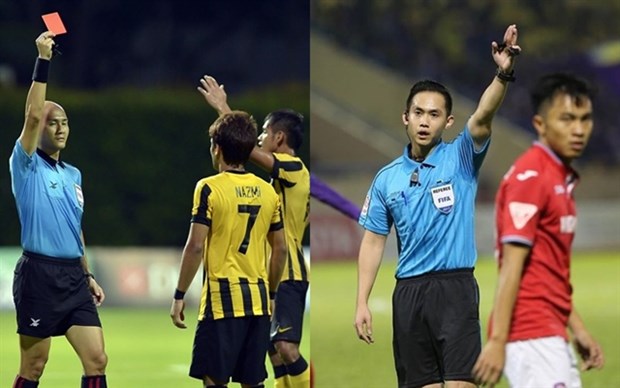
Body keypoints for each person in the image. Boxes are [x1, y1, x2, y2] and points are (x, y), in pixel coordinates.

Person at [353, 24, 521, 387]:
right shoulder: (386, 178)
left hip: (455, 290)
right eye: (418, 113)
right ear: (406, 117)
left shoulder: (461, 156)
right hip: (409, 294)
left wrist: (503, 73)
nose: (424, 121)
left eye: (433, 115)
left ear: (447, 121)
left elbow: (484, 115)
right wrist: (362, 301)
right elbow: (373, 241)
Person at [472, 73, 605, 387]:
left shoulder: (557, 177)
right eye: (567, 119)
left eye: (585, 119)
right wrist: (497, 340)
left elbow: (547, 272)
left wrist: (578, 328)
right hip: (531, 335)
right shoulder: (532, 177)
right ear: (540, 125)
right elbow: (511, 266)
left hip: (550, 329)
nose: (578, 130)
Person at [8, 32, 108, 388]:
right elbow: (33, 115)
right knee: (34, 367)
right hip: (39, 275)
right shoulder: (26, 164)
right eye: (54, 122)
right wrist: (43, 59)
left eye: (64, 122)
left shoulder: (73, 174)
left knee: (97, 359)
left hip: (72, 277)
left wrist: (87, 274)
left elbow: (74, 228)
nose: (60, 127)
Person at [199, 76, 311, 388]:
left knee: (287, 348)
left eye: (263, 133)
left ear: (278, 138)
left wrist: (223, 108)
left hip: (288, 272)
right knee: (273, 348)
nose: (258, 139)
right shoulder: (288, 180)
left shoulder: (294, 168)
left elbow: (242, 148)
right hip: (272, 271)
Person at [170, 111, 288, 388]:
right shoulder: (269, 191)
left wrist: (179, 295)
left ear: (217, 148)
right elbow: (280, 249)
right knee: (253, 381)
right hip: (258, 301)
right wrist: (271, 294)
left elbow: (195, 246)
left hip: (222, 300)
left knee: (214, 381)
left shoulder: (209, 188)